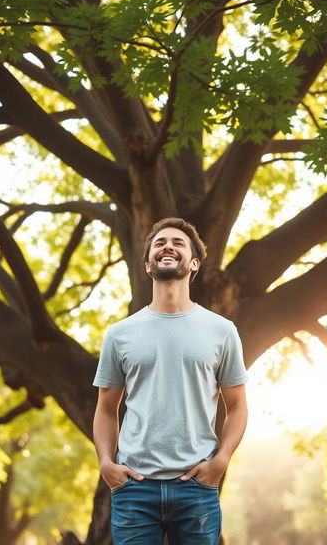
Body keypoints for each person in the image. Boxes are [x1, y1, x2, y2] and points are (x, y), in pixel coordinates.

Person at [93, 217, 249, 545]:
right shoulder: (119, 334)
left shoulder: (222, 331)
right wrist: (106, 463)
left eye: (178, 243)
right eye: (160, 243)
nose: (168, 246)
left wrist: (221, 460)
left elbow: (236, 406)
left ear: (194, 263)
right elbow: (107, 409)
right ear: (148, 264)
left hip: (197, 490)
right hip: (134, 489)